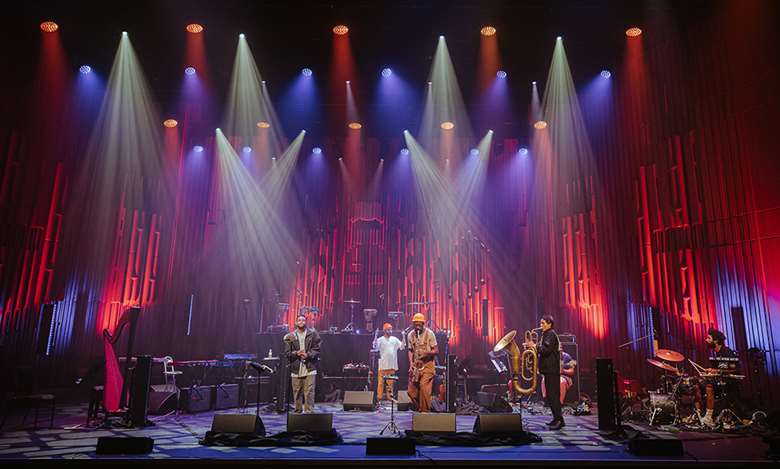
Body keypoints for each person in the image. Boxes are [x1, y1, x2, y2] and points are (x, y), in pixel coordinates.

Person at [693, 328, 738, 426]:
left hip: (729, 382)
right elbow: (718, 370)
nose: (706, 340)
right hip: (719, 380)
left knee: (709, 386)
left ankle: (709, 417)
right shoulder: (716, 353)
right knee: (696, 385)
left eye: (709, 338)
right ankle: (699, 415)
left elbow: (734, 368)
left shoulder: (726, 351)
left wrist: (716, 370)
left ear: (716, 341)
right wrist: (710, 371)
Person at [283, 314, 321, 413]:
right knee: (297, 392)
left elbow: (317, 349)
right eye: (299, 320)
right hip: (296, 367)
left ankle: (309, 413)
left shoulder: (313, 334)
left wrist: (308, 355)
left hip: (310, 367)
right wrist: (297, 353)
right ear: (296, 322)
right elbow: (287, 353)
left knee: (309, 392)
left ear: (306, 322)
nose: (301, 322)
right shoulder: (290, 336)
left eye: (303, 320)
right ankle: (297, 413)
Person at [533, 314, 564, 430]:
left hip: (552, 370)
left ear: (549, 324)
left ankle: (559, 420)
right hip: (548, 370)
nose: (541, 326)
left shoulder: (550, 334)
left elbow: (546, 351)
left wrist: (534, 346)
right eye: (541, 323)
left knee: (553, 396)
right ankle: (557, 419)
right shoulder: (546, 334)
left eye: (543, 323)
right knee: (551, 396)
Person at [407, 313, 438, 412]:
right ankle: (419, 408)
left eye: (419, 324)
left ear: (423, 323)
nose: (417, 326)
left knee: (424, 387)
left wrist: (426, 352)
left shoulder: (430, 333)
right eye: (415, 324)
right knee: (411, 392)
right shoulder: (410, 335)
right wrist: (411, 364)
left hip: (428, 365)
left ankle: (425, 411)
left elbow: (436, 351)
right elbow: (410, 350)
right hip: (416, 365)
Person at [374, 323, 404, 401]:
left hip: (391, 365)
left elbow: (402, 347)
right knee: (380, 383)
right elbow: (375, 347)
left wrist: (404, 336)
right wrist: (375, 336)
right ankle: (379, 397)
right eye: (388, 329)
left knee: (390, 383)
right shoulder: (380, 339)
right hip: (382, 365)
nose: (390, 331)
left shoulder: (394, 339)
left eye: (391, 329)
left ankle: (389, 397)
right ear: (384, 330)